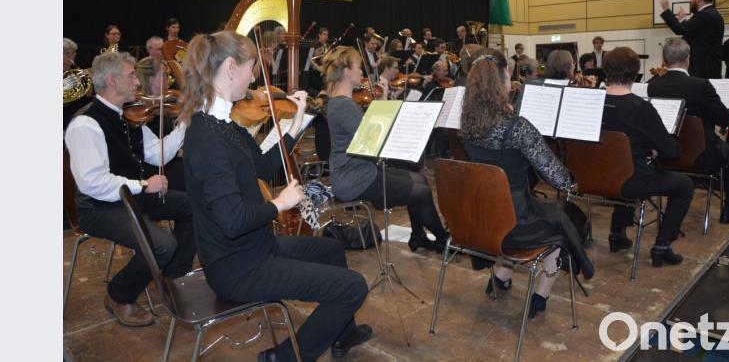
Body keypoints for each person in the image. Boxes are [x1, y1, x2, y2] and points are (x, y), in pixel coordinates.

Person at [178, 31, 372, 362]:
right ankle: (284, 357)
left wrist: (295, 125)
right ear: (230, 68)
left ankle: (341, 334)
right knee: (353, 287)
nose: (254, 76)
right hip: (238, 267)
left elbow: (265, 167)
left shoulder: (225, 125)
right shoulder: (209, 138)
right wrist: (279, 204)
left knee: (332, 250)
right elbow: (232, 221)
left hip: (255, 248)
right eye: (252, 67)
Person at [459, 48, 594, 318]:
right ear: (504, 78)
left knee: (532, 210)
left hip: (482, 219)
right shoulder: (517, 127)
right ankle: (539, 297)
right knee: (567, 220)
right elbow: (559, 180)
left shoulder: (467, 124)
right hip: (515, 222)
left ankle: (500, 276)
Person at [64, 51, 194, 327]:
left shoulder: (130, 114)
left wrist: (184, 122)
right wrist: (145, 184)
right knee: (162, 245)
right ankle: (118, 295)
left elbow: (157, 154)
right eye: (132, 75)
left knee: (194, 208)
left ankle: (171, 276)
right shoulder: (85, 124)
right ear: (112, 80)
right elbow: (93, 183)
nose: (138, 82)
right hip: (98, 207)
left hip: (131, 197)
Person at [323, 46, 449, 252]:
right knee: (421, 190)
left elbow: (368, 134)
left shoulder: (341, 102)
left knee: (420, 180)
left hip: (361, 170)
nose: (362, 72)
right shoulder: (343, 105)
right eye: (358, 67)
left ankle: (418, 236)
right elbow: (374, 139)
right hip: (355, 178)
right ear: (347, 72)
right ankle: (443, 241)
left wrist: (381, 104)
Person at [601, 47, 693, 266]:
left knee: (622, 165)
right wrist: (652, 148)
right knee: (684, 186)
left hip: (594, 177)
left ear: (605, 70)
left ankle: (618, 233)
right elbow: (671, 152)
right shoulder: (640, 108)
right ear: (636, 72)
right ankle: (662, 246)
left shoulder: (590, 102)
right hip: (630, 181)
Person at [648, 39, 729, 223]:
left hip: (666, 155)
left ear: (664, 60)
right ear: (688, 59)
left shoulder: (654, 85)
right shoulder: (700, 85)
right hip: (701, 156)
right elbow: (725, 119)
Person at [134, 56, 186, 191]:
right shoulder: (140, 111)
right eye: (163, 75)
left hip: (170, 159)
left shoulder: (164, 102)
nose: (168, 78)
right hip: (156, 172)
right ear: (150, 79)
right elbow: (156, 149)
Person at [660, 0, 725, 79]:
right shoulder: (713, 14)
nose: (690, 0)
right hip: (710, 68)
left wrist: (666, 10)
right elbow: (693, 32)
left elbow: (680, 30)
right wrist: (682, 20)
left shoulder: (704, 14)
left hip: (703, 69)